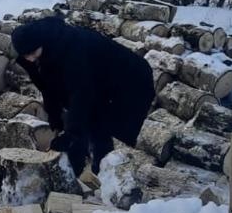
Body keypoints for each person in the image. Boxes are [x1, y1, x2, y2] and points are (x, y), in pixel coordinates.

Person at [11, 16, 154, 175]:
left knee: (101, 123)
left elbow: (81, 94)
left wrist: (72, 134)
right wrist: (55, 117)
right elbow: (49, 87)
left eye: (31, 53)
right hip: (100, 80)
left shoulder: (71, 47)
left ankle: (105, 173)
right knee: (86, 119)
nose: (29, 59)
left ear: (40, 43)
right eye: (25, 56)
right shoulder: (44, 51)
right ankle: (80, 169)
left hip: (132, 81)